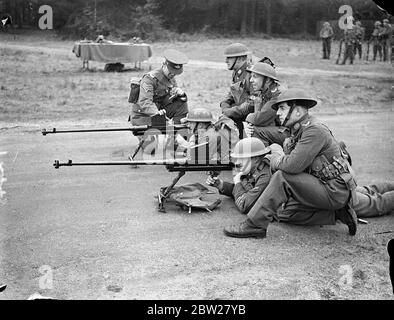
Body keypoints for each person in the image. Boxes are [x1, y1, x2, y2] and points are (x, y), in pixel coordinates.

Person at [223, 88, 358, 239]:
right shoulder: (298, 130)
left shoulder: (314, 130)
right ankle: (335, 215)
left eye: (282, 108)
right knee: (282, 212)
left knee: (283, 176)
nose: (278, 113)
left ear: (298, 112)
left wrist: (274, 157)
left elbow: (291, 166)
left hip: (333, 191)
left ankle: (254, 225)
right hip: (321, 185)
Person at [206, 137, 272, 214]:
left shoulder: (265, 176)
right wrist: (221, 185)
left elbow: (245, 205)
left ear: (256, 159)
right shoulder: (254, 169)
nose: (237, 163)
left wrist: (237, 182)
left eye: (241, 159)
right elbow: (244, 191)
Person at [129, 49, 189, 126]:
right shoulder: (149, 79)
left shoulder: (170, 78)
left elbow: (171, 96)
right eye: (171, 71)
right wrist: (156, 112)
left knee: (181, 103)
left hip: (161, 112)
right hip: (143, 117)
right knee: (155, 133)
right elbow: (145, 102)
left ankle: (177, 129)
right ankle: (166, 128)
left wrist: (179, 93)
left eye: (175, 73)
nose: (173, 75)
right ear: (164, 65)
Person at [243, 62, 289, 147]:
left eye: (255, 77)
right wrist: (249, 125)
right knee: (251, 129)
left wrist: (248, 119)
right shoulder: (264, 91)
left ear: (267, 80)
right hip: (278, 129)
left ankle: (263, 158)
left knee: (256, 131)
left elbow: (260, 118)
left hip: (290, 133)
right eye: (251, 76)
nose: (251, 80)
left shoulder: (278, 94)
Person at [220, 43, 253, 138]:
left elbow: (252, 104)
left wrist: (231, 111)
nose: (226, 61)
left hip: (251, 117)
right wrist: (224, 104)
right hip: (241, 112)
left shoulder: (251, 74)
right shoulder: (236, 72)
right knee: (223, 121)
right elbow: (232, 92)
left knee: (225, 122)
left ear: (240, 59)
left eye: (229, 58)